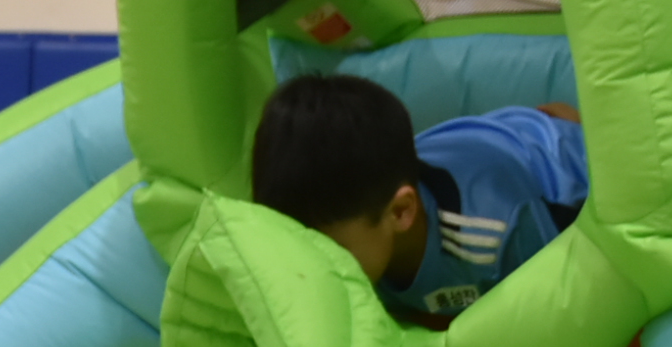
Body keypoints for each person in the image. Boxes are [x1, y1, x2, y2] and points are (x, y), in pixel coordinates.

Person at [249, 72, 592, 323]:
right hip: (474, 143)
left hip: (552, 161)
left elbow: (572, 298)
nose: (305, 270)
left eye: (328, 252)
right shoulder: (362, 210)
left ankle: (559, 120)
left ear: (400, 213)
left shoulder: (498, 234)